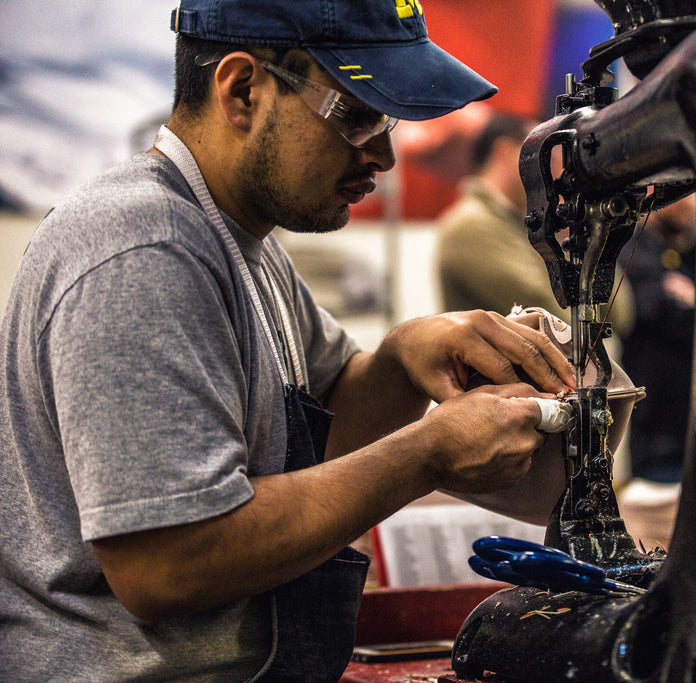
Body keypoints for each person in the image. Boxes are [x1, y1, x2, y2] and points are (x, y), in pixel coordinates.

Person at [0, 1, 578, 680]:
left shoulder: (240, 241)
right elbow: (167, 562)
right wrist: (426, 453)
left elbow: (318, 437)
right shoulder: (142, 250)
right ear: (242, 90)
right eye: (356, 114)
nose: (385, 155)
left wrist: (400, 359)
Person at [435, 113, 634, 336]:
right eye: (545, 155)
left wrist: (592, 232)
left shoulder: (523, 223)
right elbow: (562, 322)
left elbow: (619, 316)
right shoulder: (470, 227)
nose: (557, 169)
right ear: (505, 152)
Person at [615, 192, 696, 548]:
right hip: (654, 434)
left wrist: (693, 301)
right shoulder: (630, 247)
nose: (690, 203)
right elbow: (651, 310)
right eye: (682, 194)